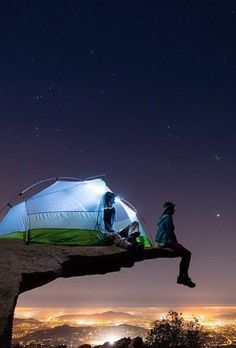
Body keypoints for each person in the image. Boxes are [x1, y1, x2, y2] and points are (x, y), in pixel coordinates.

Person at [155, 202, 196, 288]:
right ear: (169, 210)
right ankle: (183, 277)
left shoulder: (162, 218)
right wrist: (176, 243)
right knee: (187, 254)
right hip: (166, 242)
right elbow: (170, 232)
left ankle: (183, 277)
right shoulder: (168, 217)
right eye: (173, 209)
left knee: (184, 253)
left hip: (162, 241)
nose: (174, 211)